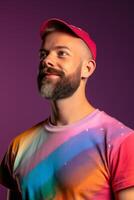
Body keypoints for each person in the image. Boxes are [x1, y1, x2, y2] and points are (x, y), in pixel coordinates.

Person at [0, 18, 134, 200]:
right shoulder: (19, 146)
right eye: (43, 54)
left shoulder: (121, 142)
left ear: (87, 68)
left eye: (61, 53)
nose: (47, 60)